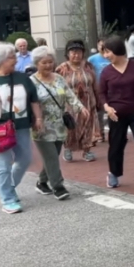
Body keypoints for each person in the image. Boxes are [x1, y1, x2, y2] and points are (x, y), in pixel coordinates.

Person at [0, 42, 41, 213]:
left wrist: (38, 118)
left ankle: (10, 186)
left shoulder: (23, 78)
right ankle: (7, 199)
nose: (15, 60)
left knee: (25, 159)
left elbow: (34, 99)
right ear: (0, 60)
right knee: (2, 165)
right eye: (11, 57)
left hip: (21, 126)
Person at [29, 46, 88, 201]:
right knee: (52, 158)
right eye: (44, 63)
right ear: (36, 64)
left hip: (59, 125)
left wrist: (80, 108)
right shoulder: (31, 82)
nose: (48, 65)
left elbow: (70, 96)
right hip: (41, 126)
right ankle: (58, 186)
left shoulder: (58, 78)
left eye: (50, 62)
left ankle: (42, 182)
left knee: (52, 157)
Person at [99, 36, 134, 190]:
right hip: (116, 115)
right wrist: (107, 108)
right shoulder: (106, 72)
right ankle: (114, 173)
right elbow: (102, 93)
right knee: (116, 145)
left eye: (108, 52)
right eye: (104, 52)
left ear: (117, 50)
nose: (105, 55)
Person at [56, 39, 101, 162]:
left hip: (88, 102)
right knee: (70, 127)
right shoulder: (62, 68)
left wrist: (98, 99)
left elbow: (94, 83)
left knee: (88, 126)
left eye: (79, 52)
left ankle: (87, 151)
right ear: (68, 54)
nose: (76, 55)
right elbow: (57, 86)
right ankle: (68, 148)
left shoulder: (88, 66)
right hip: (70, 104)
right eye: (73, 52)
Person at [88, 38, 111, 142]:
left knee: (113, 111)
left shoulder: (111, 57)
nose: (102, 47)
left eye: (104, 45)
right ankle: (100, 133)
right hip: (98, 90)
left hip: (112, 89)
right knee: (99, 113)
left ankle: (116, 132)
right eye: (100, 45)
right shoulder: (92, 59)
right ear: (97, 47)